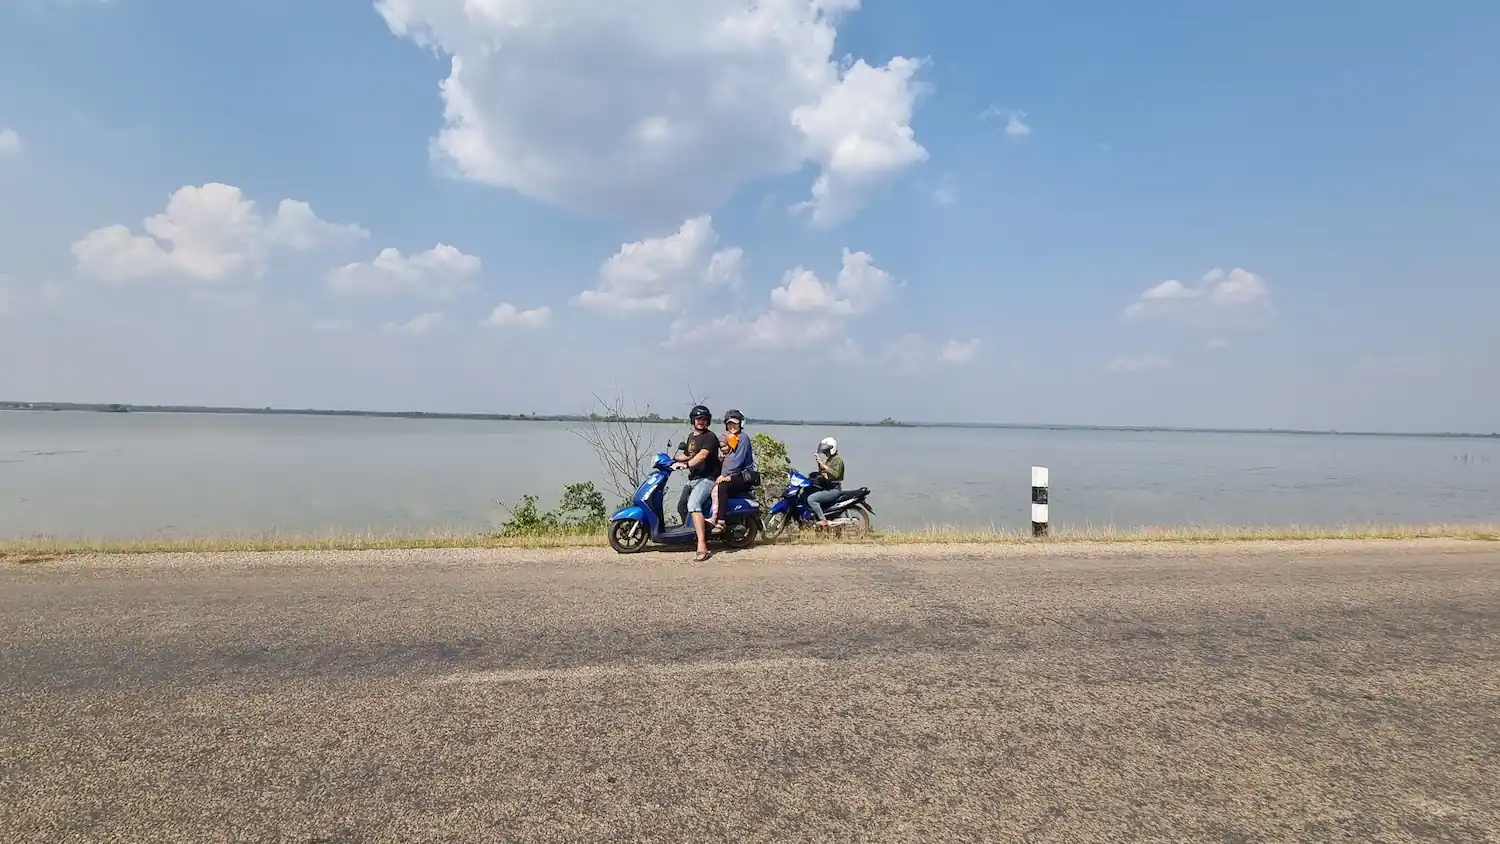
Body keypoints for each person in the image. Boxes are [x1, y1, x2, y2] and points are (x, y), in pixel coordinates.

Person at [671, 405, 721, 561]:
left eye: (704, 419)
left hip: (708, 478)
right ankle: (690, 536)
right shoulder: (691, 437)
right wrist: (669, 459)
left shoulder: (710, 437)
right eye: (698, 419)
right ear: (693, 420)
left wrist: (686, 465)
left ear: (708, 421)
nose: (701, 422)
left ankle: (702, 546)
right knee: (681, 506)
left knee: (693, 504)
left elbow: (702, 456)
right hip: (693, 479)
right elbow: (688, 454)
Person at [709, 409, 756, 532]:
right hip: (729, 473)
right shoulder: (728, 438)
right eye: (729, 423)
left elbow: (737, 461)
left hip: (742, 474)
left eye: (735, 423)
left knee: (722, 486)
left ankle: (720, 521)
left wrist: (725, 475)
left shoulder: (743, 438)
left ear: (741, 424)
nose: (732, 426)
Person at [806, 436, 845, 529]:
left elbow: (836, 474)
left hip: (833, 489)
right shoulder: (830, 460)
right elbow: (824, 473)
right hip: (827, 486)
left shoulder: (838, 460)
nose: (825, 452)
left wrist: (824, 465)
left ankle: (823, 520)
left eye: (826, 450)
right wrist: (820, 464)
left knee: (811, 499)